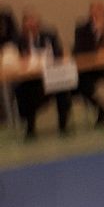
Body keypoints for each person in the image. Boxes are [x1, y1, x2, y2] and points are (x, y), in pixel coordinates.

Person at [14, 9, 73, 141]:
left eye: (34, 22)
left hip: (50, 74)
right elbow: (15, 58)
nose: (31, 26)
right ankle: (30, 128)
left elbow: (58, 53)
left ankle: (63, 125)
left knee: (62, 87)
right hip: (29, 78)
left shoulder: (49, 35)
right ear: (23, 25)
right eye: (28, 22)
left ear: (39, 24)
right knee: (23, 91)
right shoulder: (19, 39)